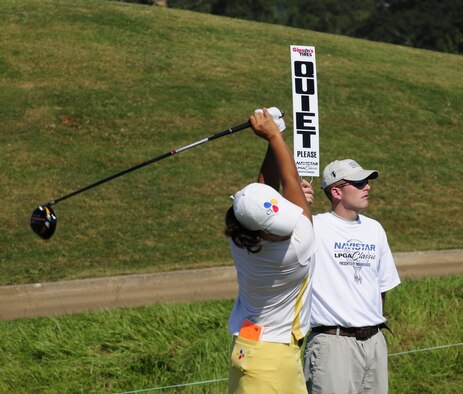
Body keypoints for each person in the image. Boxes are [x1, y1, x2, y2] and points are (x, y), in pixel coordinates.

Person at [225, 108, 316, 393]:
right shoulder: (297, 248)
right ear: (263, 230)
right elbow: (290, 183)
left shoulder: (239, 238)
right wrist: (274, 135)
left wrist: (274, 137)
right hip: (274, 360)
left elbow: (260, 192)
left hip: (247, 346)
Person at [301, 159, 401, 394]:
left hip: (374, 341)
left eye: (367, 181)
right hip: (332, 344)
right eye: (359, 183)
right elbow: (273, 233)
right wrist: (296, 204)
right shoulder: (313, 226)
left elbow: (381, 285)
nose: (368, 187)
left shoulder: (375, 228)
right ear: (336, 191)